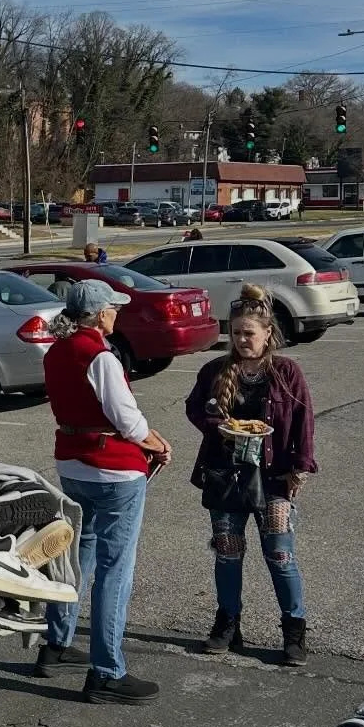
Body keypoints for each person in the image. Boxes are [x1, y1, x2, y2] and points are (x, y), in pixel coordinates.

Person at [41, 280, 171, 704]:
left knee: (79, 555)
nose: (117, 313)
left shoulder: (58, 349)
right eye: (113, 308)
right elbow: (127, 420)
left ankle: (56, 644)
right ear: (99, 314)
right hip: (111, 468)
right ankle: (106, 670)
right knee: (115, 571)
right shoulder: (99, 356)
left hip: (73, 462)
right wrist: (155, 441)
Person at [185, 284, 315, 666]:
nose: (242, 340)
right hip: (227, 476)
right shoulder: (215, 370)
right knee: (227, 552)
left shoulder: (287, 371)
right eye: (237, 333)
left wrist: (301, 468)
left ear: (267, 334)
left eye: (249, 333)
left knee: (279, 553)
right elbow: (196, 409)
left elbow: (305, 421)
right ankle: (228, 623)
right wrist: (216, 426)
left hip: (275, 477)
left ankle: (294, 630)